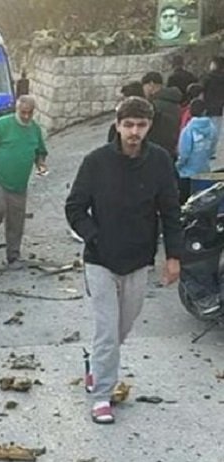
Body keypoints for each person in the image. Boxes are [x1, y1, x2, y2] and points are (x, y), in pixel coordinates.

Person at [65, 96, 182, 425]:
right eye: (128, 125)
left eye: (141, 125)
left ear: (149, 127)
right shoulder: (96, 161)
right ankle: (102, 395)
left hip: (138, 260)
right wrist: (94, 235)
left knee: (121, 329)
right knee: (106, 330)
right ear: (117, 125)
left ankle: (96, 366)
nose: (134, 131)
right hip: (100, 260)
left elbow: (171, 212)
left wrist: (173, 256)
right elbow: (74, 207)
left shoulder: (159, 161)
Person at [0, 96, 48, 269]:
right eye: (22, 112)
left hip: (19, 184)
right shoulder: (0, 125)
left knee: (16, 220)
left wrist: (40, 164)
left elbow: (40, 151)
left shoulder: (34, 129)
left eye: (29, 113)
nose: (26, 116)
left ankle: (13, 256)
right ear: (16, 110)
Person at [176, 99, 217, 203]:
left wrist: (178, 165)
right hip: (203, 170)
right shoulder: (212, 128)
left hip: (187, 173)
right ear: (205, 111)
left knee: (185, 202)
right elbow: (212, 149)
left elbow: (184, 152)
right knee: (202, 202)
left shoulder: (188, 130)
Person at [142, 71, 183, 159]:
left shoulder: (154, 105)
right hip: (172, 145)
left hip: (158, 147)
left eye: (144, 87)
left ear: (151, 84)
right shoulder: (174, 101)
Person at [201, 56, 224, 153]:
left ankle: (206, 149)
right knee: (216, 130)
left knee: (205, 129)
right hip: (218, 107)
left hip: (207, 106)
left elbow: (201, 91)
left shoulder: (207, 77)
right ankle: (212, 150)